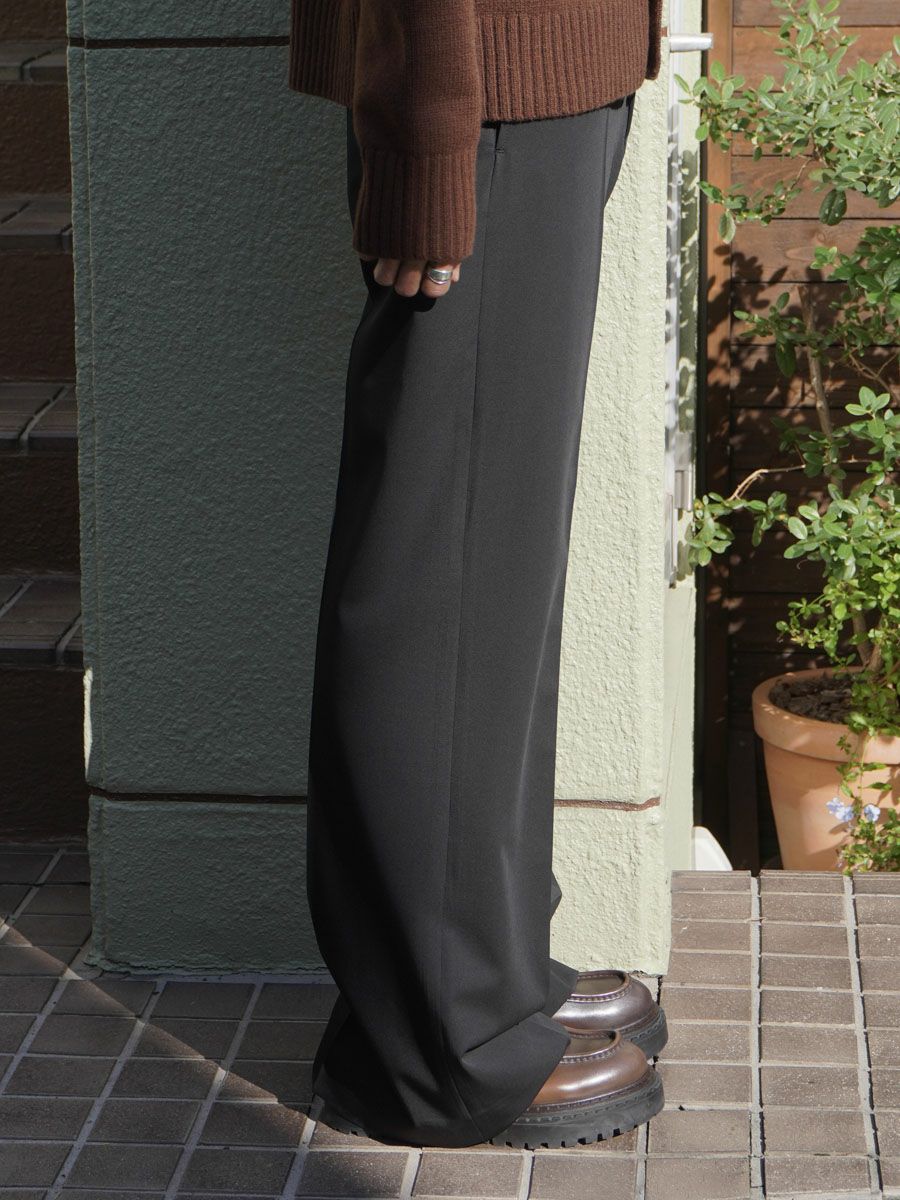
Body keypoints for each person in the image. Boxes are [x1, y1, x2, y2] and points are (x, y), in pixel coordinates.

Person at [287, 0, 669, 1150]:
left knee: (492, 569)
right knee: (442, 572)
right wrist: (425, 139)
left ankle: (488, 968)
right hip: (477, 82)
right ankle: (435, 1050)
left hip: (538, 72)